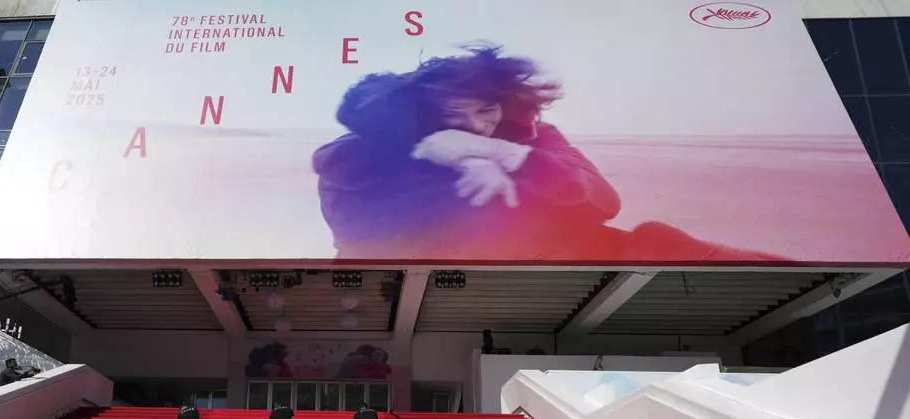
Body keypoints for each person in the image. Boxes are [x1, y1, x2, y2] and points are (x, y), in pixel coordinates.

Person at [312, 45, 789, 264]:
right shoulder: (354, 158)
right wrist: (464, 161)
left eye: (487, 109)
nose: (477, 124)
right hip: (474, 297)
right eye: (457, 116)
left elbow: (604, 201)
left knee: (688, 250)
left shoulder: (529, 134)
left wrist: (495, 153)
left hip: (613, 262)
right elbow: (380, 236)